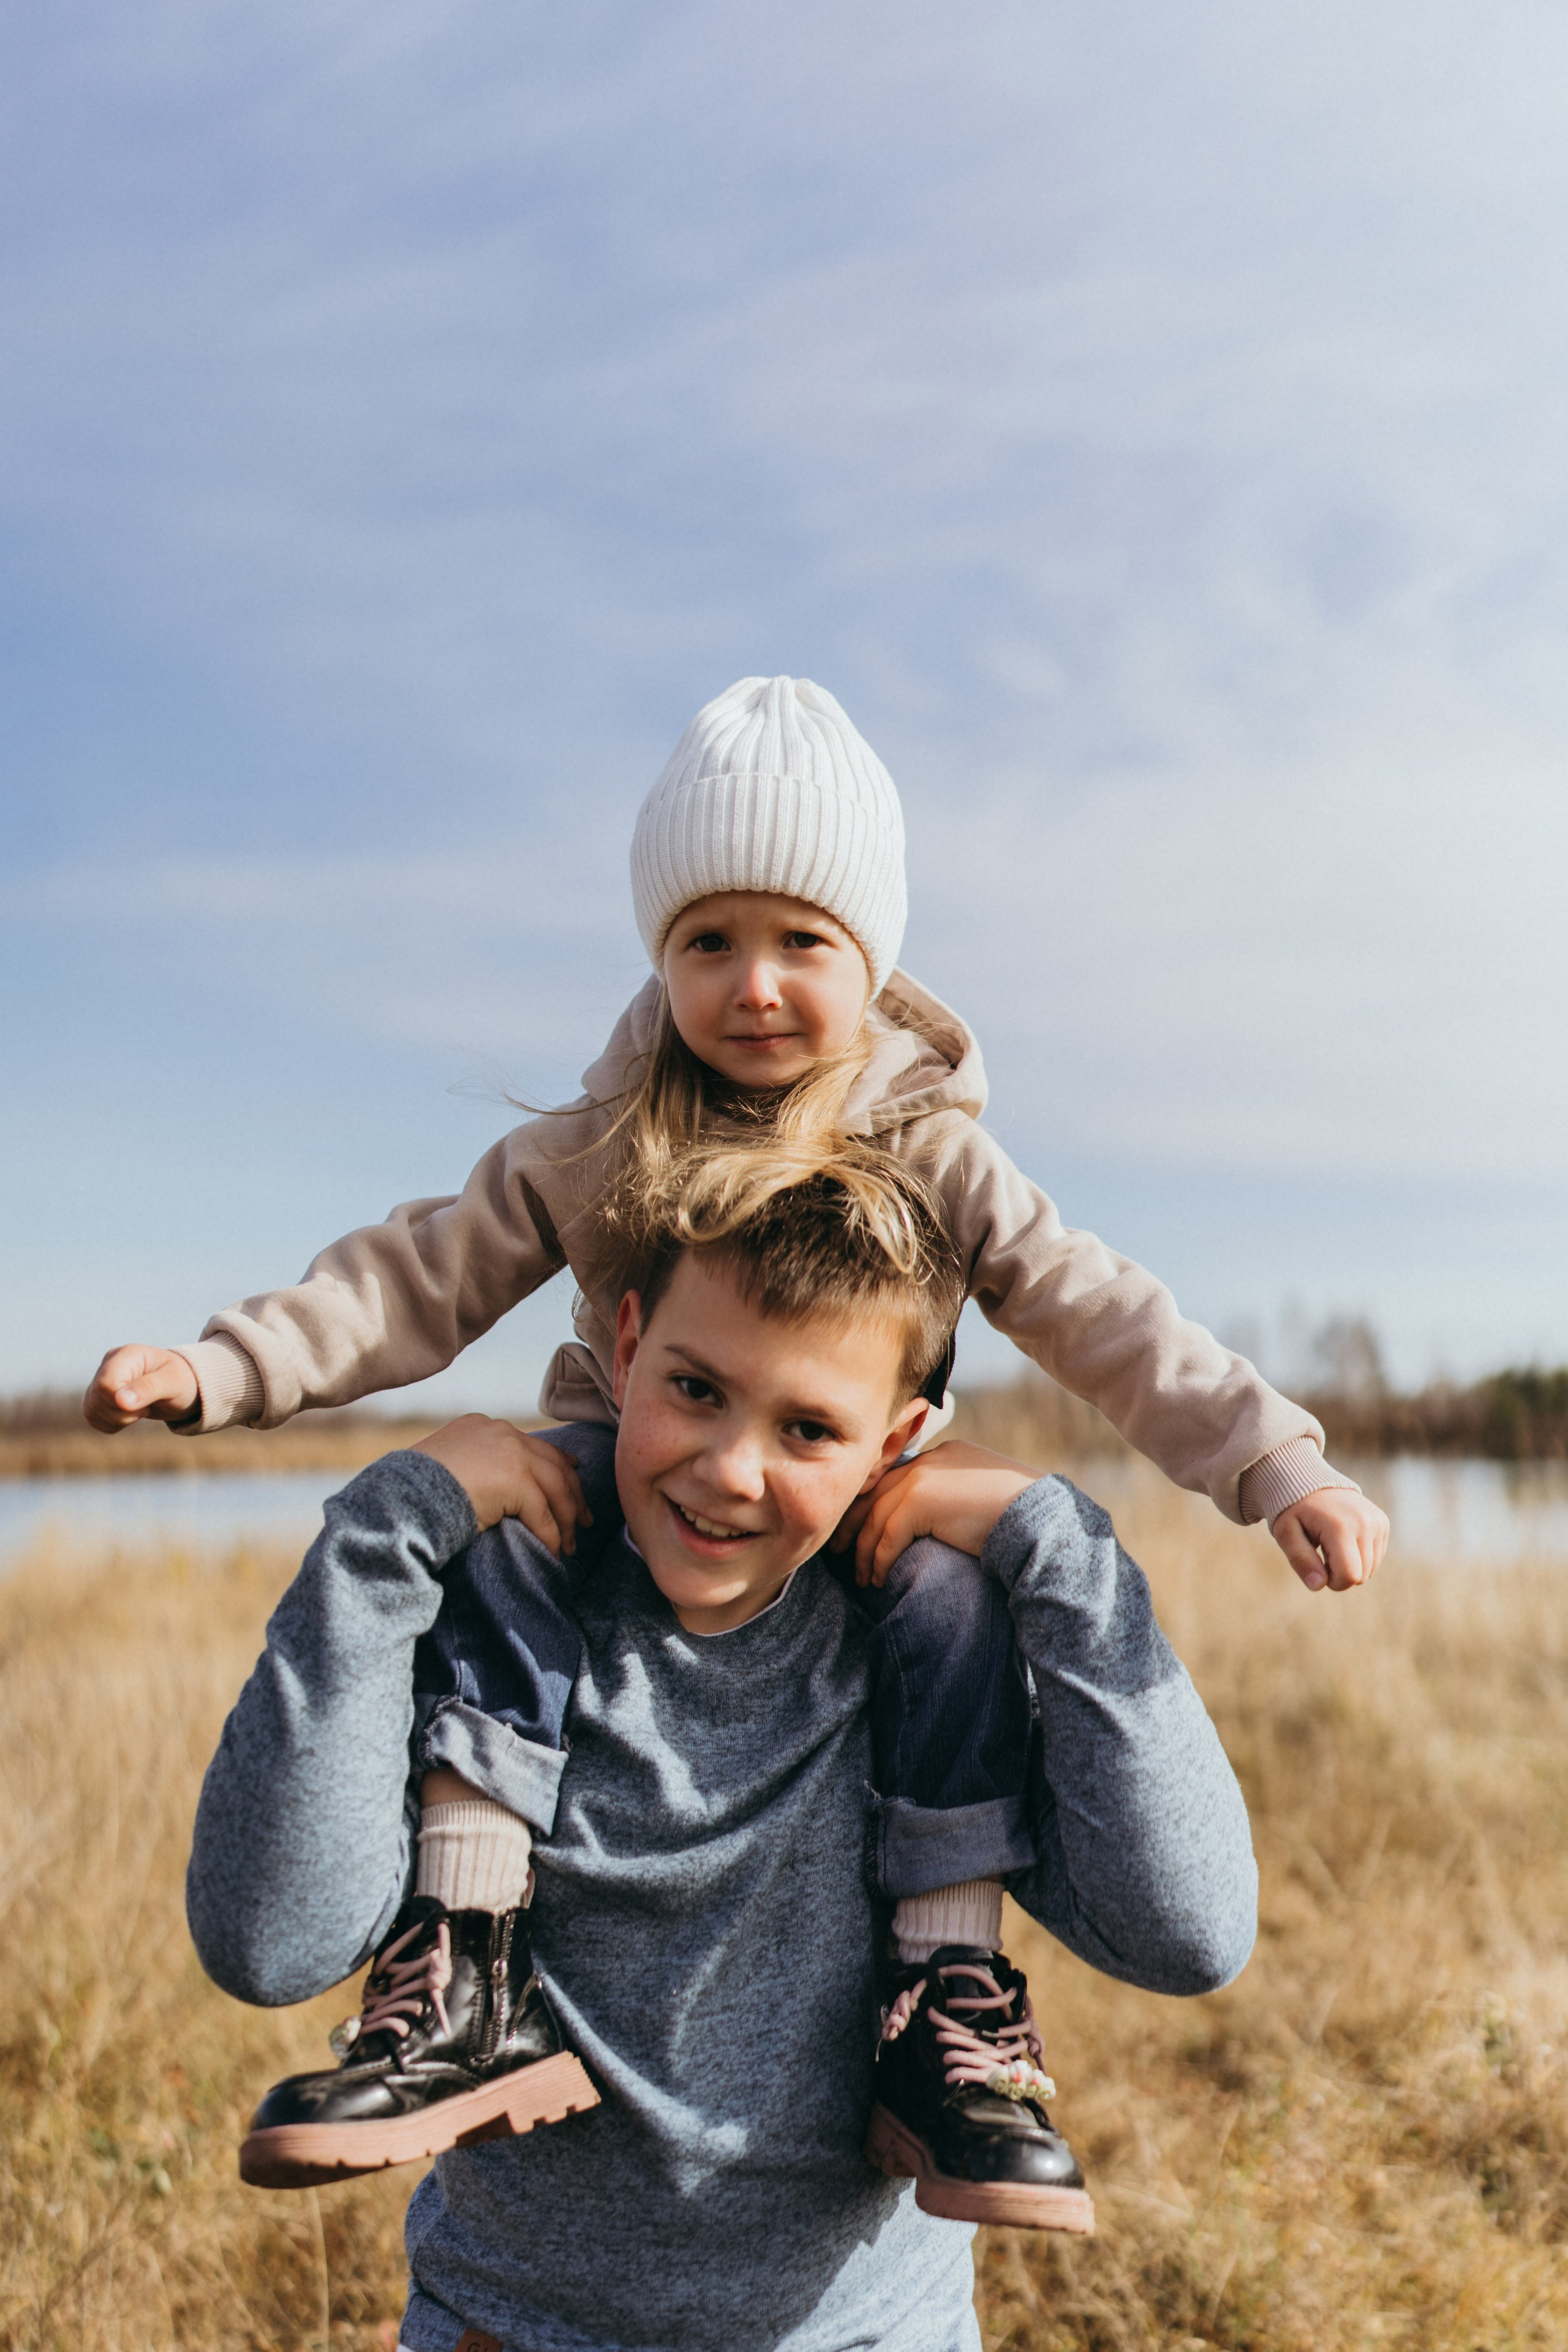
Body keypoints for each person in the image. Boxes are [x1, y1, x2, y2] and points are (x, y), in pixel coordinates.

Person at [96, 674, 1385, 2175]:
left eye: (801, 944)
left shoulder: (928, 1146)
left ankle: (942, 1978)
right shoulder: (606, 1135)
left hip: (877, 1497)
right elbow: (418, 1272)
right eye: (708, 942)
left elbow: (1102, 1312)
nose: (754, 987)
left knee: (948, 1596)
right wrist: (227, 1366)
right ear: (658, 958)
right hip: (601, 1462)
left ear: (872, 960)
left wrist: (1269, 1460)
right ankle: (467, 1939)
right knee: (512, 1536)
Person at [187, 1145, 1259, 2352]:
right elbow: (268, 1945)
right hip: (508, 2329)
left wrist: (1053, 1545)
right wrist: (386, 1533)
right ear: (629, 1347)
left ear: (895, 1441)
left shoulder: (928, 1644)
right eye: (696, 1389)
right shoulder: (502, 1598)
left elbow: (1191, 1936)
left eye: (808, 1427)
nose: (729, 1469)